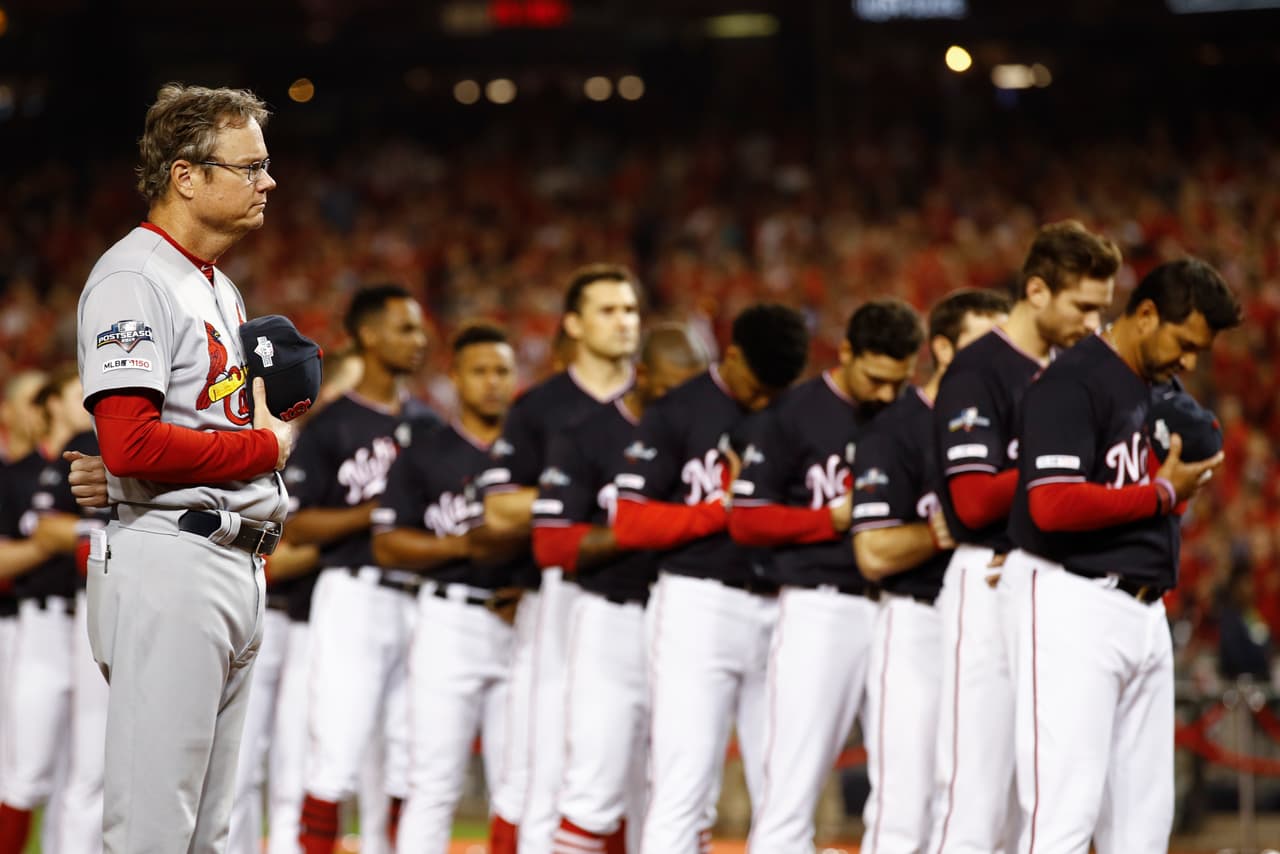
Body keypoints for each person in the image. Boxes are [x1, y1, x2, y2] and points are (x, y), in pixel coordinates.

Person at [74, 83, 294, 854]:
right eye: (251, 166)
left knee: (206, 835)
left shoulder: (215, 283)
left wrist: (122, 472)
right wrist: (264, 450)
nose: (268, 182)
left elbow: (140, 447)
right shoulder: (136, 277)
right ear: (186, 175)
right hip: (173, 562)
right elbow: (132, 443)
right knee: (153, 832)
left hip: (229, 557)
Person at [1004, 258, 1239, 853]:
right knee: (1062, 816)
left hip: (1144, 609)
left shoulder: (1160, 388)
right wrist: (1159, 493)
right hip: (1073, 599)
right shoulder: (1072, 382)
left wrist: (1166, 482)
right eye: (1184, 343)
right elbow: (1052, 505)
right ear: (1146, 314)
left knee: (1143, 825)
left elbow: (1207, 445)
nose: (1190, 361)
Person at [927, 221, 1120, 854]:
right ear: (1037, 291)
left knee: (1042, 793)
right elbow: (974, 497)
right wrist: (1057, 465)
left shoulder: (1081, 367)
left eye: (1102, 308)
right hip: (983, 578)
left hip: (1050, 582)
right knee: (975, 795)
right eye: (1083, 306)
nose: (1094, 322)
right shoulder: (977, 369)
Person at [612, 303, 810, 854]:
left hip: (783, 605)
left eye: (778, 385)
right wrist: (724, 510)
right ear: (732, 355)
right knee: (683, 786)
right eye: (756, 381)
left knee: (785, 789)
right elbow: (630, 521)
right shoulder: (679, 410)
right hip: (699, 605)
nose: (764, 395)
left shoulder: (797, 410)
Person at [730, 299, 921, 854]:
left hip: (901, 606)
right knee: (791, 783)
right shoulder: (794, 414)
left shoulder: (912, 415)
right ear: (845, 354)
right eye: (877, 377)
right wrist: (825, 519)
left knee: (908, 778)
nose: (888, 393)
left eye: (900, 379)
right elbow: (746, 518)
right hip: (822, 606)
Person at [479, 264, 640, 854]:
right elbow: (498, 509)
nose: (624, 322)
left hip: (649, 594)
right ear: (573, 323)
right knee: (544, 754)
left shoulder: (656, 401)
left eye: (630, 310)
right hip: (560, 593)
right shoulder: (541, 407)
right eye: (608, 310)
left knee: (638, 763)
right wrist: (581, 496)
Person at [530, 324, 708, 854]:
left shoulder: (712, 431)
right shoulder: (588, 434)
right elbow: (553, 545)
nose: (692, 401)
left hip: (692, 614)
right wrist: (657, 525)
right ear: (644, 376)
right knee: (594, 787)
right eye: (679, 387)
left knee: (688, 793)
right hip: (613, 618)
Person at [850, 290, 1011, 854]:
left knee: (980, 800)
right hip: (915, 622)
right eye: (982, 338)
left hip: (991, 619)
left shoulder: (1012, 421)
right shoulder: (898, 427)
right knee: (903, 807)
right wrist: (946, 532)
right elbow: (872, 553)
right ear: (942, 347)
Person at [291, 284, 434, 854]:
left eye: (419, 329)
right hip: (352, 595)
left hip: (421, 598)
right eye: (405, 328)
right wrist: (378, 513)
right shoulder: (331, 427)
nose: (419, 340)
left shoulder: (430, 425)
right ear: (368, 335)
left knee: (407, 759)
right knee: (338, 754)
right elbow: (298, 526)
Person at [370, 324, 519, 853]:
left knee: (518, 786)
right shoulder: (427, 452)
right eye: (479, 371)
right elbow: (387, 543)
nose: (492, 382)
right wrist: (466, 547)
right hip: (447, 622)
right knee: (432, 783)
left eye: (502, 370)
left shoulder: (531, 449)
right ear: (455, 377)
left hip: (523, 624)